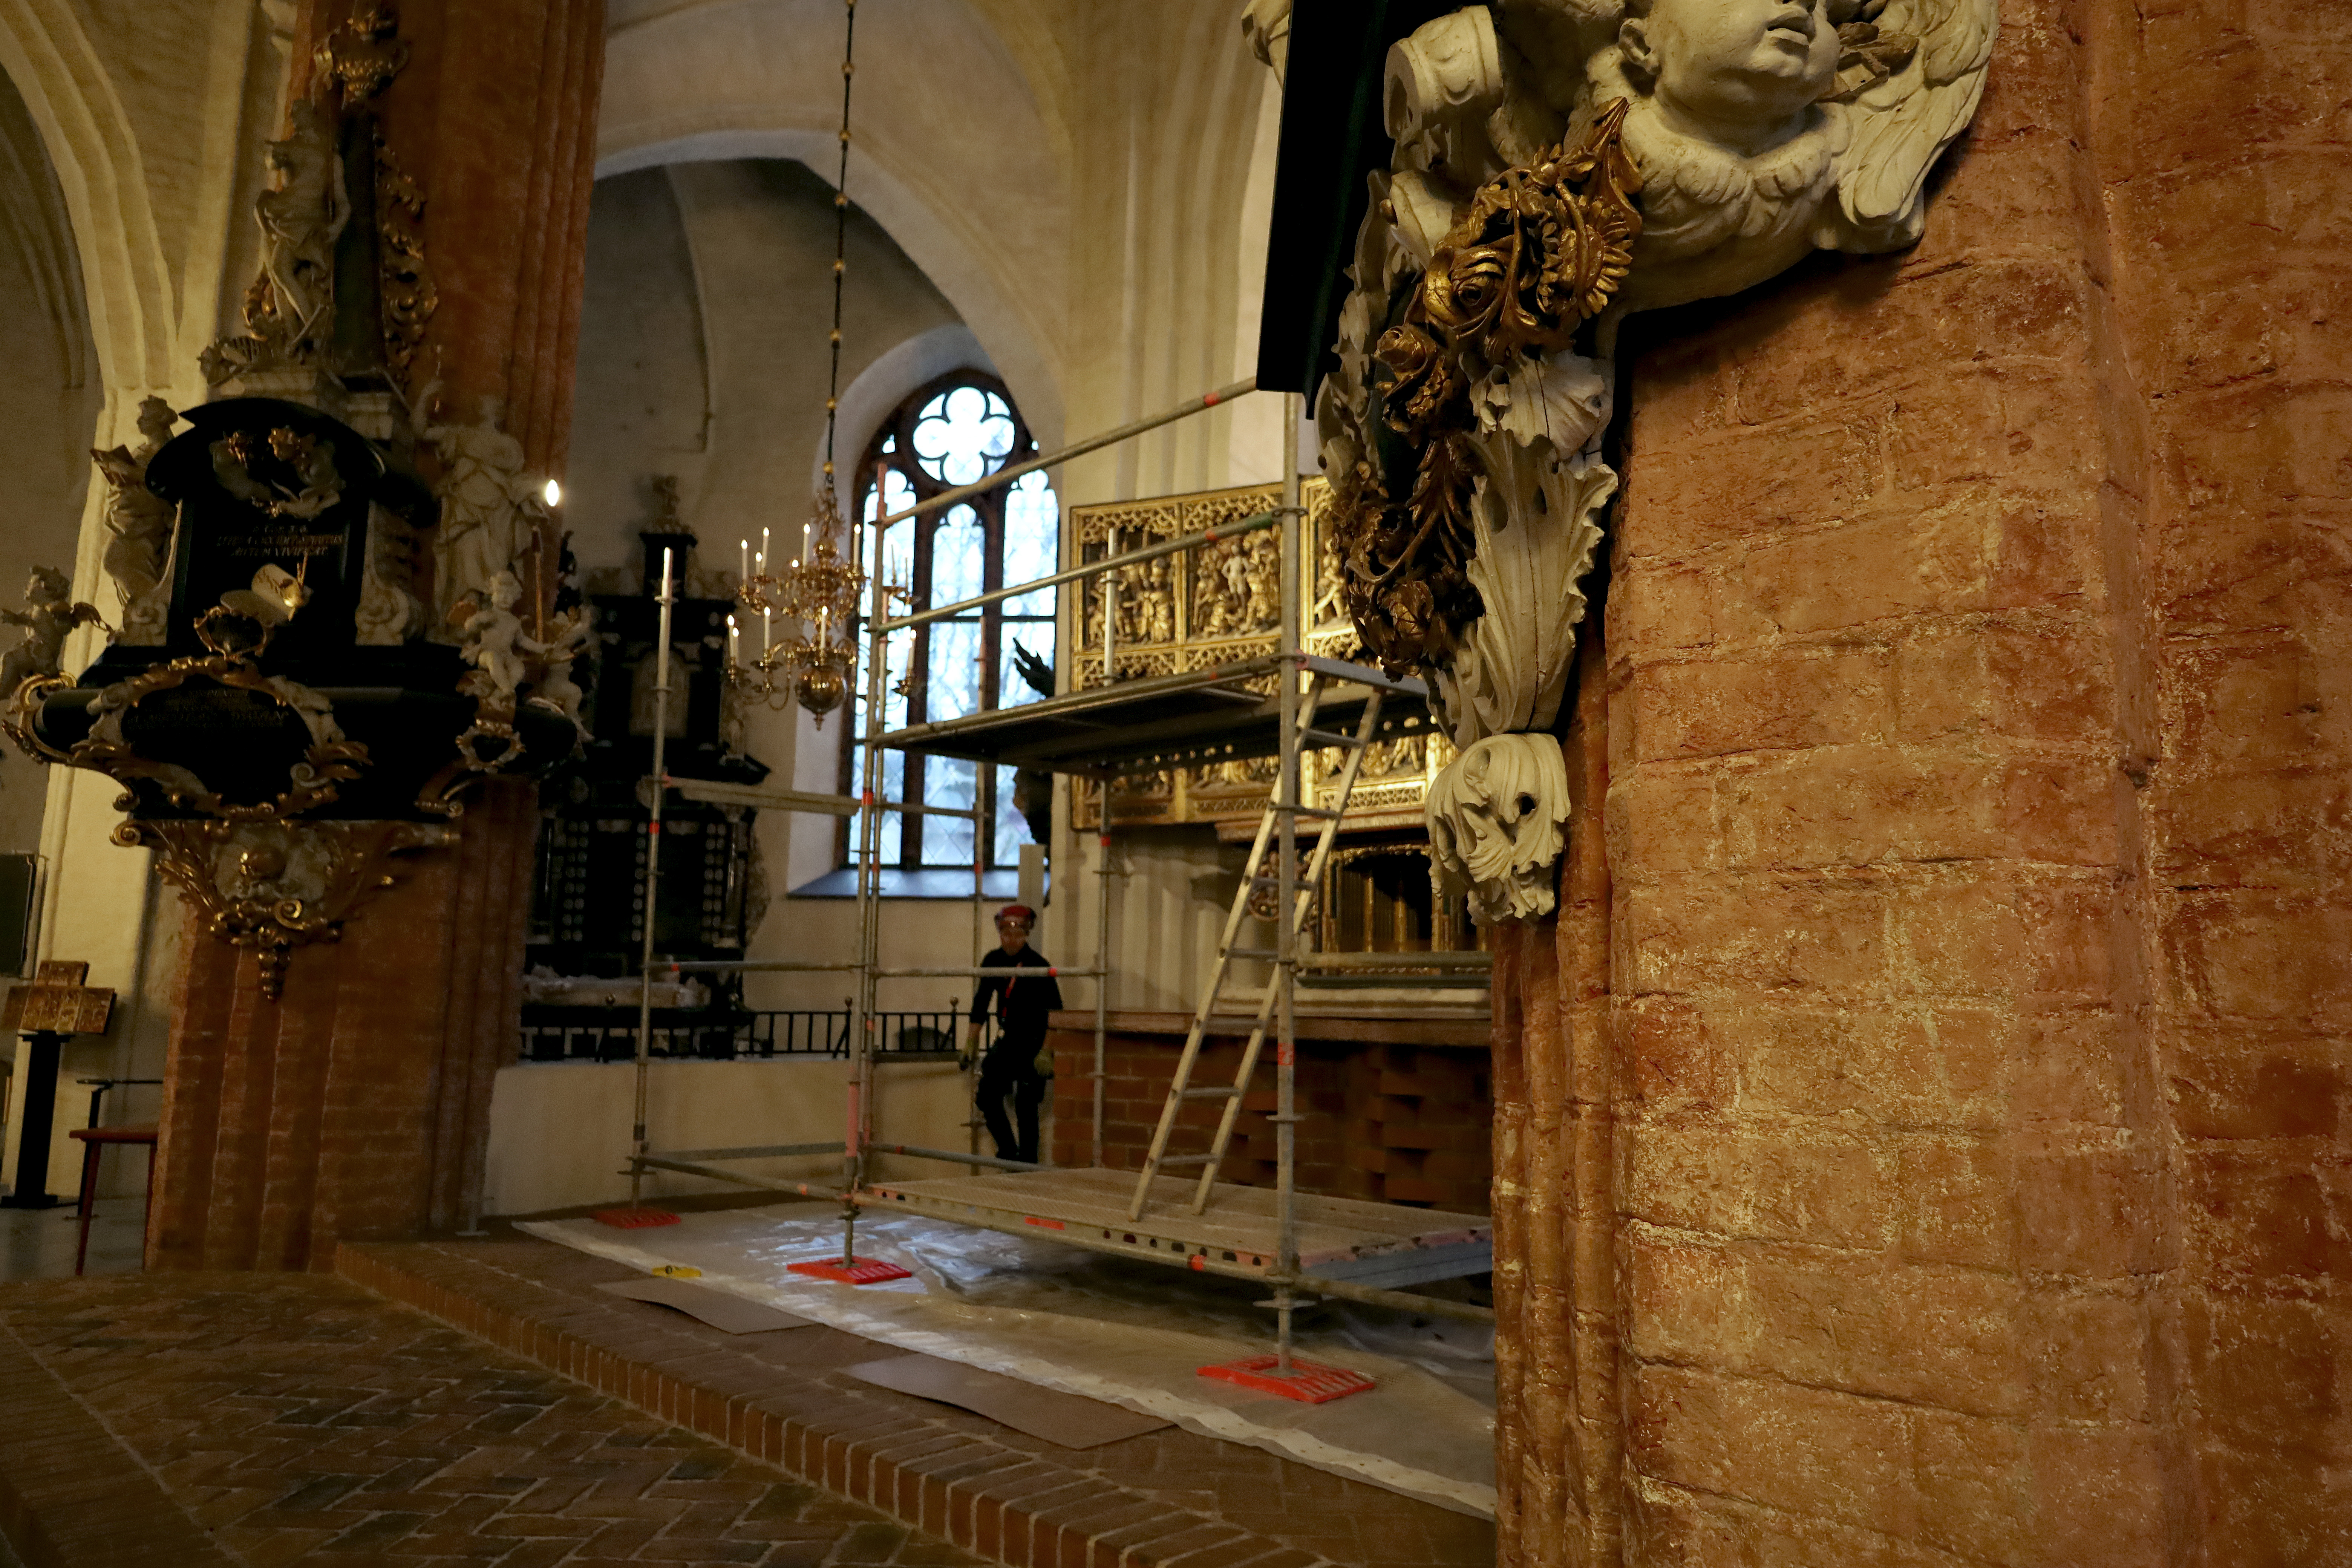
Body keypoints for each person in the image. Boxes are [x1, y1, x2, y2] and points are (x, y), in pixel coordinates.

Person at [963, 904, 1061, 1166]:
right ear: (1000, 933)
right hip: (1009, 1040)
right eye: (1006, 934)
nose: (1011, 940)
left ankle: (1027, 1165)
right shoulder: (993, 961)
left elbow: (1055, 1014)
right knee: (987, 1097)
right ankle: (1008, 1153)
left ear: (1026, 935)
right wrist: (972, 1040)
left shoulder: (1039, 966)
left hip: (1034, 1042)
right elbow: (981, 1003)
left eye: (1018, 935)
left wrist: (1047, 1051)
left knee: (1026, 1107)